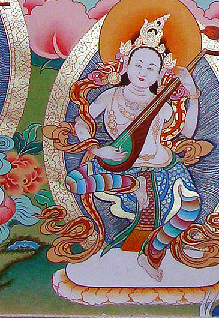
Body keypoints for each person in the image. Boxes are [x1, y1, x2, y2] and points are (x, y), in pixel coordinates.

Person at [64, 14, 205, 281]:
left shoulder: (162, 103)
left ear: (160, 74)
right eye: (138, 64)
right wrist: (98, 149)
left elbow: (187, 131)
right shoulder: (111, 96)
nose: (143, 72)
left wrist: (193, 95)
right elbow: (81, 122)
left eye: (151, 68)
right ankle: (130, 184)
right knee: (73, 182)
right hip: (119, 163)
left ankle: (153, 251)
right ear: (125, 65)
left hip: (163, 166)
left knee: (191, 208)